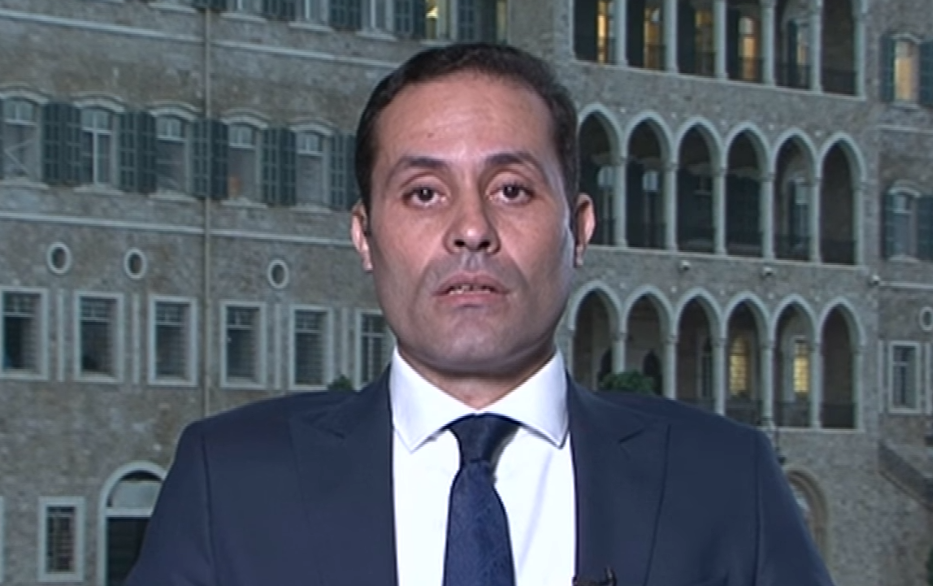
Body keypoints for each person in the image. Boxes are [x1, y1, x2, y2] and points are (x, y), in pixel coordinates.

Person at [125, 42, 834, 586]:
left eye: (512, 190)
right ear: (365, 236)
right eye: (424, 193)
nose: (471, 229)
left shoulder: (723, 481)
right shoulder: (231, 482)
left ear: (579, 231)